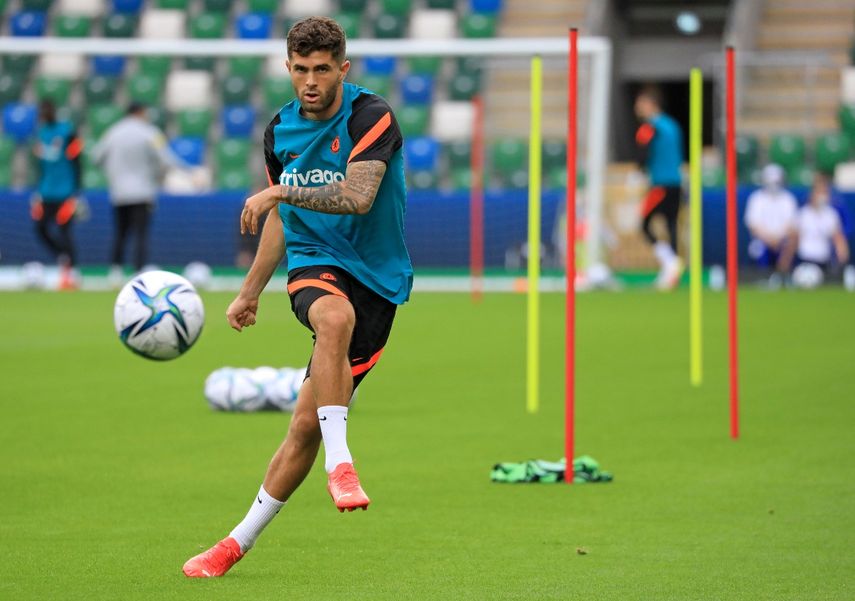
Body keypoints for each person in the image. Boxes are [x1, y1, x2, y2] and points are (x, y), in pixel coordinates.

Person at [182, 16, 412, 578]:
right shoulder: (278, 131)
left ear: (343, 69)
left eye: (322, 69)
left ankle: (235, 543)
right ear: (288, 68)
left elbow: (359, 196)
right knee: (333, 317)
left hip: (379, 279)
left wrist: (280, 189)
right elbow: (284, 222)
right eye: (301, 69)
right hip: (316, 264)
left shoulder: (370, 115)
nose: (311, 80)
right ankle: (343, 462)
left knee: (304, 424)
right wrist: (250, 291)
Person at [90, 102, 184, 281]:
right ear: (141, 113)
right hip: (142, 192)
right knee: (141, 234)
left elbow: (96, 157)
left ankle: (115, 271)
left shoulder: (113, 132)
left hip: (119, 193)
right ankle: (138, 271)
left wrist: (113, 172)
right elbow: (166, 158)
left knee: (120, 233)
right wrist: (188, 170)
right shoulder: (149, 132)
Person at [634, 86, 685, 289]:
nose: (637, 108)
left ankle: (671, 263)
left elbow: (643, 151)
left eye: (640, 104)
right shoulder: (673, 125)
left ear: (650, 104)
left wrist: (639, 170)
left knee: (645, 224)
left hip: (660, 184)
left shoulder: (650, 127)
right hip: (677, 182)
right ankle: (672, 271)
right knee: (671, 225)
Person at [31, 100, 82, 289]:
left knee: (65, 231)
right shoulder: (41, 134)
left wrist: (77, 191)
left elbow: (77, 161)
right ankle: (63, 257)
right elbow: (39, 165)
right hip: (46, 191)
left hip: (66, 191)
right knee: (41, 228)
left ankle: (71, 272)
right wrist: (37, 191)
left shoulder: (68, 132)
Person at [780, 174, 850, 274]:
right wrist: (784, 264)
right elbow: (793, 241)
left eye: (825, 192)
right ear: (812, 193)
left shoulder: (831, 215)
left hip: (824, 261)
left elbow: (838, 239)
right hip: (805, 261)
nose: (822, 196)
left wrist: (842, 262)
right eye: (820, 192)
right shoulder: (803, 214)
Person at [744, 164, 798, 284]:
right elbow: (753, 226)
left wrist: (778, 238)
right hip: (762, 240)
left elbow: (792, 225)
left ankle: (783, 277)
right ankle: (762, 277)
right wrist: (769, 239)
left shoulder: (788, 199)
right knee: (758, 248)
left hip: (783, 240)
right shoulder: (756, 198)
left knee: (790, 244)